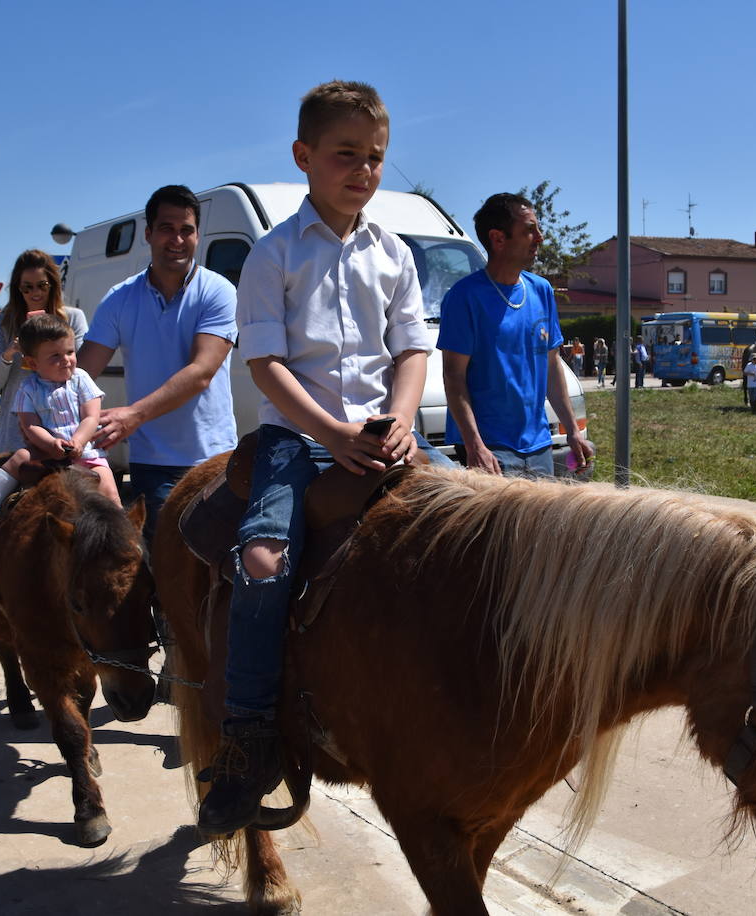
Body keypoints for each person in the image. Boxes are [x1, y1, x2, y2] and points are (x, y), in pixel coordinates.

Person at [196, 80, 453, 834]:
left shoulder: (395, 253)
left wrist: (400, 420)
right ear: (304, 156)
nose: (363, 170)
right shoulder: (273, 254)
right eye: (346, 155)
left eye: (375, 157)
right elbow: (266, 364)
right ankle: (246, 736)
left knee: (474, 533)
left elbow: (411, 346)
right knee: (264, 562)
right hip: (295, 438)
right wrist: (331, 435)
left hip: (382, 433)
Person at [78, 185, 238, 542]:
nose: (177, 239)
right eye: (167, 228)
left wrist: (133, 415)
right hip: (151, 463)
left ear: (198, 235)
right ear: (148, 234)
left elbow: (201, 373)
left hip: (212, 459)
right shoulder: (119, 299)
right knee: (162, 579)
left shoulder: (218, 292)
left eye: (187, 230)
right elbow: (84, 373)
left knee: (213, 575)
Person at [437, 192, 591, 477]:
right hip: (489, 448)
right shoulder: (465, 297)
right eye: (529, 230)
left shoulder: (541, 290)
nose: (540, 238)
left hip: (538, 445)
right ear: (498, 238)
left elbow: (551, 365)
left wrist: (573, 431)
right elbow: (454, 377)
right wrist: (475, 446)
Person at [0, 315, 121, 544]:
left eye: (70, 352)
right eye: (55, 356)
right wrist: (50, 444)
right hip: (45, 450)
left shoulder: (81, 379)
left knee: (110, 492)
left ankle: (122, 537)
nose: (67, 360)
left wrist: (79, 442)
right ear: (33, 363)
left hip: (85, 453)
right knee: (18, 459)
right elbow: (29, 424)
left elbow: (91, 416)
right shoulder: (28, 387)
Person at [0, 250, 89, 458]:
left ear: (52, 284)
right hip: (15, 430)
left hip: (62, 428)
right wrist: (10, 353)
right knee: (6, 487)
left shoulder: (72, 318)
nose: (35, 293)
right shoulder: (6, 322)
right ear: (18, 289)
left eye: (42, 285)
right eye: (27, 287)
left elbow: (79, 373)